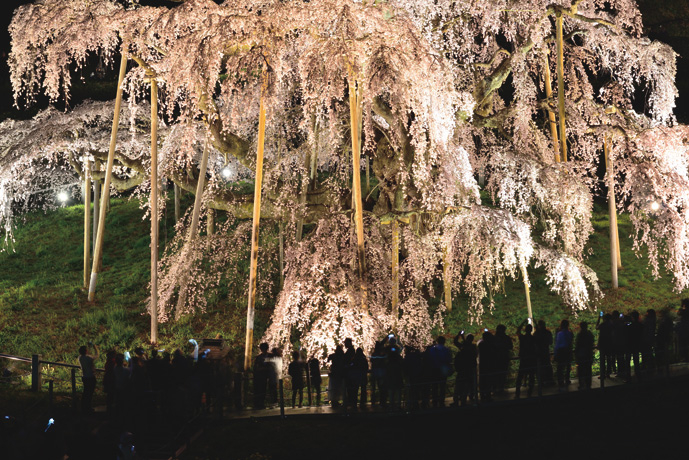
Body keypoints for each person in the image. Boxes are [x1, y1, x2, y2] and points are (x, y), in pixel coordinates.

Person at [452, 332, 477, 406]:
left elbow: (455, 342)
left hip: (462, 369)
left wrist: (459, 335)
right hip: (470, 368)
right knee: (467, 385)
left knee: (459, 385)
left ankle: (456, 401)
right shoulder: (473, 347)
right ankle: (464, 400)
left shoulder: (463, 347)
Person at [515, 320, 537, 398]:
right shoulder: (533, 338)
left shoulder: (522, 338)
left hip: (524, 359)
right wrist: (535, 322)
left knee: (520, 377)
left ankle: (517, 393)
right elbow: (537, 332)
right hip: (531, 359)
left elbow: (518, 331)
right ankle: (529, 393)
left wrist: (522, 323)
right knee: (531, 377)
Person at [429, 335, 452, 407]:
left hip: (434, 369)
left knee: (434, 386)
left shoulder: (433, 349)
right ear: (444, 341)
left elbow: (430, 358)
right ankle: (441, 400)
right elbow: (449, 359)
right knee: (442, 385)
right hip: (443, 368)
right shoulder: (446, 349)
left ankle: (435, 400)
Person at [78, 342, 99, 414]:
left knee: (85, 392)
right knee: (90, 393)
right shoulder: (88, 358)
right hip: (90, 377)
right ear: (86, 351)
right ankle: (88, 407)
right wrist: (95, 347)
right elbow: (96, 355)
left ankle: (84, 407)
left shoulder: (80, 357)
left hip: (84, 377)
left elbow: (88, 356)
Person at [533, 320, 554, 386]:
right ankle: (549, 380)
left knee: (540, 368)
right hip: (545, 352)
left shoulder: (536, 333)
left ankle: (541, 382)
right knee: (547, 367)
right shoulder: (547, 332)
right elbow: (550, 342)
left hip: (539, 353)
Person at [575, 321, 594, 390]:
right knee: (588, 369)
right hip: (588, 354)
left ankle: (581, 384)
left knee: (581, 370)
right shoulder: (589, 334)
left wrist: (576, 354)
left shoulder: (580, 335)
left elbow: (577, 345)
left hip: (581, 354)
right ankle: (588, 384)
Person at [554, 319, 573, 390]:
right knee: (568, 367)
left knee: (560, 368)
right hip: (568, 351)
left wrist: (555, 353)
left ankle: (561, 382)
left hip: (561, 352)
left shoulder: (559, 334)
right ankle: (567, 379)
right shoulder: (570, 333)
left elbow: (557, 344)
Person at [494, 324, 513, 394]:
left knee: (498, 374)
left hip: (497, 359)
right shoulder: (506, 338)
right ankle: (501, 388)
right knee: (503, 374)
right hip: (504, 358)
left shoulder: (495, 338)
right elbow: (510, 346)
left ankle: (497, 388)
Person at [253, 343, 271, 409]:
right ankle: (259, 404)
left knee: (262, 390)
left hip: (262, 376)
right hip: (261, 376)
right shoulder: (265, 357)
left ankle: (260, 404)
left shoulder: (260, 357)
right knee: (261, 390)